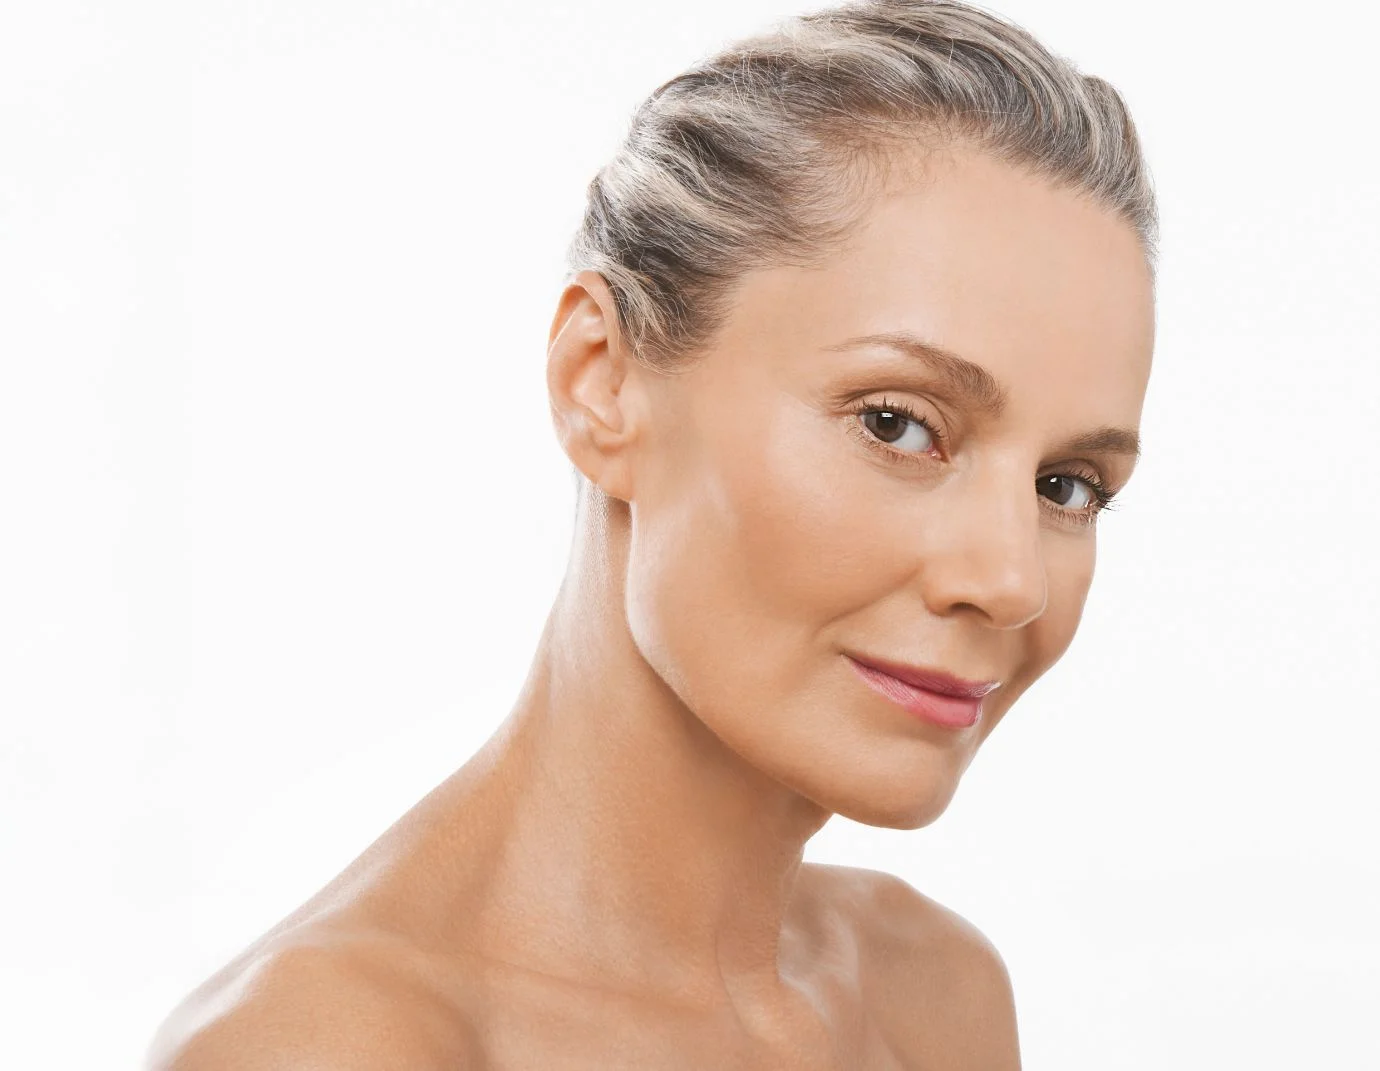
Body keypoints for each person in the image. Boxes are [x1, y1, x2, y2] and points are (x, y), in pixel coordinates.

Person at [147, 1, 1156, 1067]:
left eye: (1068, 486)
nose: (1010, 581)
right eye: (897, 425)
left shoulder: (933, 995)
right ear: (603, 384)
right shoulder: (339, 1048)